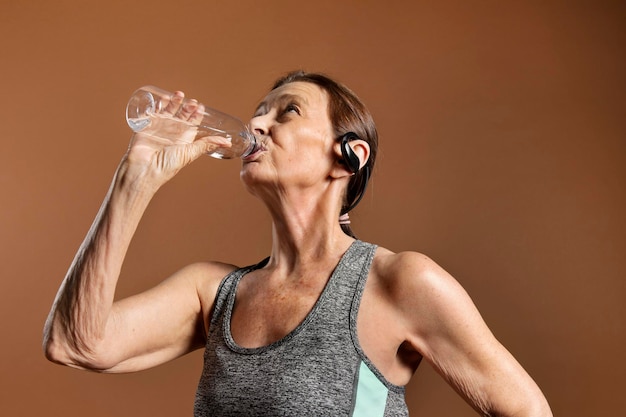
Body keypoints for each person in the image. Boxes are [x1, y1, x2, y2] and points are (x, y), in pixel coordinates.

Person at [43, 71, 552, 416]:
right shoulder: (214, 292)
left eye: (287, 112)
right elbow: (75, 342)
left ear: (348, 156)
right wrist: (135, 179)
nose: (257, 124)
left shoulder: (397, 282)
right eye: (259, 112)